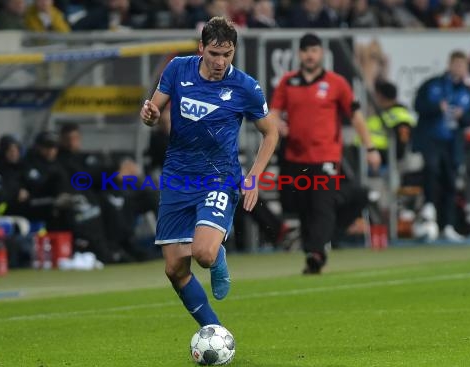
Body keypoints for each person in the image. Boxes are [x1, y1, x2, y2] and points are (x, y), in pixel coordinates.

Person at [139, 16, 278, 327]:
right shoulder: (177, 69)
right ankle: (213, 330)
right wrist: (149, 114)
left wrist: (253, 177)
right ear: (201, 48)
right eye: (214, 53)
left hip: (219, 176)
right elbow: (154, 111)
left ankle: (217, 257)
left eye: (227, 54)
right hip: (177, 176)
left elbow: (271, 133)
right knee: (174, 270)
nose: (220, 61)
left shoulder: (245, 87)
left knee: (203, 253)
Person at [270, 33, 381, 275]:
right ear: (299, 54)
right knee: (300, 206)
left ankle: (316, 252)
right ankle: (316, 244)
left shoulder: (336, 83)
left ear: (321, 54)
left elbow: (356, 116)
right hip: (295, 157)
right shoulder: (287, 82)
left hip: (326, 156)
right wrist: (277, 124)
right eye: (306, 51)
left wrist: (370, 147)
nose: (310, 55)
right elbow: (273, 113)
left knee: (322, 203)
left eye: (314, 50)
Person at [413, 50, 470, 241]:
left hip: (453, 142)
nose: (459, 68)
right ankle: (429, 212)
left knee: (451, 182)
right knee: (431, 171)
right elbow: (418, 105)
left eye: (462, 65)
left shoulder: (467, 92)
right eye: (456, 64)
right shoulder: (433, 84)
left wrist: (462, 117)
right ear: (449, 64)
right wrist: (436, 108)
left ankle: (448, 225)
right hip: (432, 139)